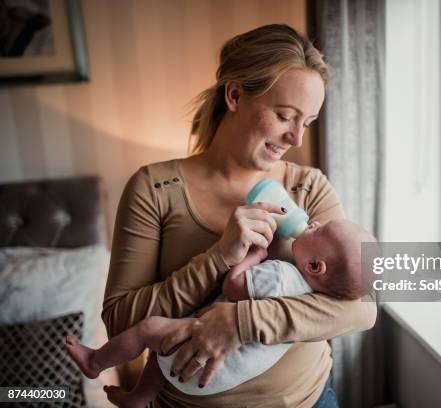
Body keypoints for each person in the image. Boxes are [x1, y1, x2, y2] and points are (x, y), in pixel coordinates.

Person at [101, 24, 377, 408]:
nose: (297, 139)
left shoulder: (308, 187)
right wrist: (219, 257)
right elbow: (119, 323)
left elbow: (363, 307)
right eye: (285, 116)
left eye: (307, 123)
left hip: (310, 399)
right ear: (234, 95)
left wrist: (239, 323)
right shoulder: (156, 189)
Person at [67, 219, 375, 407]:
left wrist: (252, 257)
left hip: (206, 366)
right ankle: (137, 399)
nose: (312, 222)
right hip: (221, 378)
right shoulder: (315, 292)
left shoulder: (282, 275)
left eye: (318, 229)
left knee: (149, 331)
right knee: (161, 353)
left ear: (315, 266)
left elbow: (235, 285)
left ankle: (95, 362)